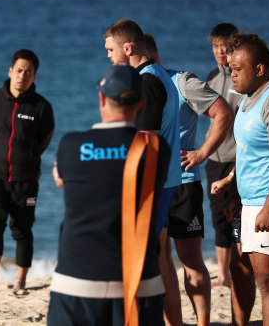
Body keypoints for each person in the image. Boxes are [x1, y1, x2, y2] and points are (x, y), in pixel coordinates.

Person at [48, 64, 170, 325]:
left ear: (102, 98)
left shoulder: (71, 145)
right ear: (143, 102)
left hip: (77, 281)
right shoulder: (158, 149)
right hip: (140, 282)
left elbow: (63, 179)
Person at [145, 33, 234, 326]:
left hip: (183, 182)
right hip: (152, 187)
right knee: (159, 261)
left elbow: (222, 112)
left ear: (151, 57)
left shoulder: (182, 81)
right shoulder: (134, 87)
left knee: (191, 260)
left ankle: (203, 323)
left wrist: (202, 152)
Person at [104, 19, 183, 325]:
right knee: (160, 259)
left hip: (150, 183)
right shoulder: (160, 74)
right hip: (164, 180)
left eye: (111, 49)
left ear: (128, 47)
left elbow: (145, 140)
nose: (109, 57)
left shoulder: (146, 81)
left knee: (141, 263)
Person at [0, 49, 54, 294]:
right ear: (10, 71)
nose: (23, 75)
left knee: (23, 228)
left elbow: (44, 139)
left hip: (26, 179)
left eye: (29, 72)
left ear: (35, 76)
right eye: (19, 70)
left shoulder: (42, 107)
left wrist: (29, 159)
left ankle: (21, 280)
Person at [213, 34, 269, 325]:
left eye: (237, 69)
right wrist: (231, 183)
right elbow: (250, 151)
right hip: (248, 203)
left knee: (268, 285)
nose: (231, 74)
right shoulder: (248, 99)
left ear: (259, 69)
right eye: (230, 68)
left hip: (266, 203)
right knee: (241, 268)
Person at [205, 23, 243, 289]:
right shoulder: (211, 77)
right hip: (213, 160)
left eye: (224, 45)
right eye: (215, 46)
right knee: (218, 217)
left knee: (238, 217)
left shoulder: (241, 77)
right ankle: (222, 274)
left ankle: (241, 267)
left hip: (236, 159)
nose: (219, 51)